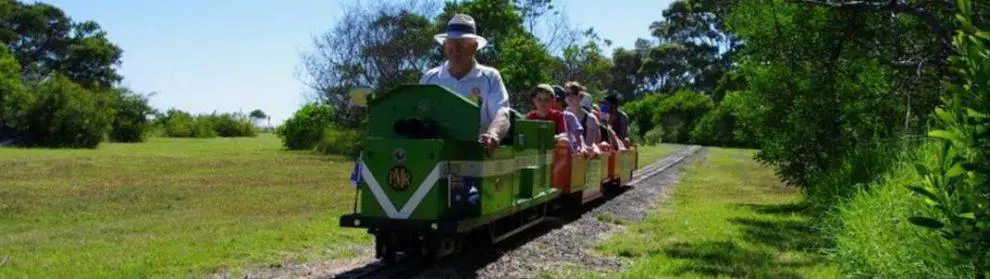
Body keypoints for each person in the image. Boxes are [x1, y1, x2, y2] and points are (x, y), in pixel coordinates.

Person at [420, 13, 511, 151]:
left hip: (475, 155)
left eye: (463, 44)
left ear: (474, 46)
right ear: (445, 45)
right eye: (451, 43)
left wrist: (493, 136)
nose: (456, 50)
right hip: (432, 154)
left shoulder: (490, 77)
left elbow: (501, 113)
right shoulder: (429, 78)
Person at [562, 82, 602, 156]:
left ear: (581, 96)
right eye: (567, 94)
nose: (570, 96)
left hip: (582, 156)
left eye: (574, 93)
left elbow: (589, 145)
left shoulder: (590, 119)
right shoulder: (561, 115)